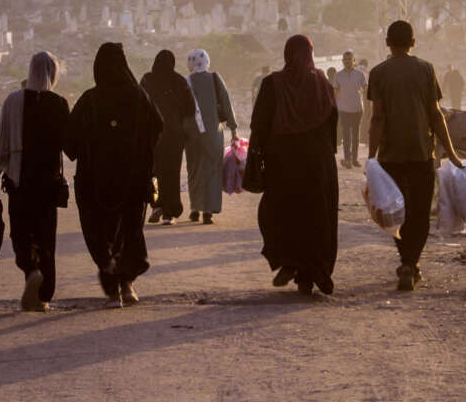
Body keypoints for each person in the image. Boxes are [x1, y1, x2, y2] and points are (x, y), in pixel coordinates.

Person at [368, 20, 464, 292]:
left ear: (388, 42)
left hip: (390, 156)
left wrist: (371, 157)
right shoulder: (425, 70)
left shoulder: (378, 73)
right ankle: (411, 262)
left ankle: (407, 261)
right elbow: (435, 115)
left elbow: (377, 119)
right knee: (420, 212)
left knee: (397, 210)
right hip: (421, 153)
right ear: (413, 42)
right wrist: (452, 153)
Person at [64, 43, 162, 307]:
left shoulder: (90, 100)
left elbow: (69, 142)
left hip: (97, 183)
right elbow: (157, 126)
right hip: (133, 178)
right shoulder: (139, 96)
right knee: (130, 231)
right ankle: (128, 285)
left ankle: (112, 287)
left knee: (102, 232)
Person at [249, 35, 339, 296]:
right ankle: (315, 271)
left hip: (283, 161)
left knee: (282, 211)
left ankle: (290, 261)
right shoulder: (321, 82)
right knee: (317, 215)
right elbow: (332, 122)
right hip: (318, 162)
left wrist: (258, 157)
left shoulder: (272, 84)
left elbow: (259, 125)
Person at [0, 51, 69, 312]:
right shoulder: (59, 103)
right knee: (46, 239)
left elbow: (2, 148)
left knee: (21, 233)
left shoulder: (13, 101)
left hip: (19, 180)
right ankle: (42, 296)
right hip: (49, 182)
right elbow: (71, 145)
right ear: (53, 74)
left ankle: (31, 270)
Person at [141, 50, 198, 225]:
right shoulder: (179, 81)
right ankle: (169, 212)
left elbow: (139, 104)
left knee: (155, 171)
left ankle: (157, 204)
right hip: (174, 134)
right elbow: (190, 108)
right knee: (172, 172)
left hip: (153, 135)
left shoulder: (147, 80)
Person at [186, 49, 238, 224]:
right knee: (212, 169)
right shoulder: (215, 78)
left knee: (194, 169)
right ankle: (208, 211)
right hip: (213, 133)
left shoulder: (186, 82)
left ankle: (195, 208)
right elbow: (226, 103)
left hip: (192, 134)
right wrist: (234, 130)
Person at [332, 50, 367, 168]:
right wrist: (333, 106)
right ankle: (347, 159)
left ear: (354, 61)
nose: (347, 62)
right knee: (346, 135)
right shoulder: (338, 75)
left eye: (350, 59)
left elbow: (366, 89)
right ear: (342, 61)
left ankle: (355, 159)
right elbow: (335, 92)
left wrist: (368, 104)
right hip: (343, 109)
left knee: (356, 135)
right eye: (345, 59)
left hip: (357, 108)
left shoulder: (360, 74)